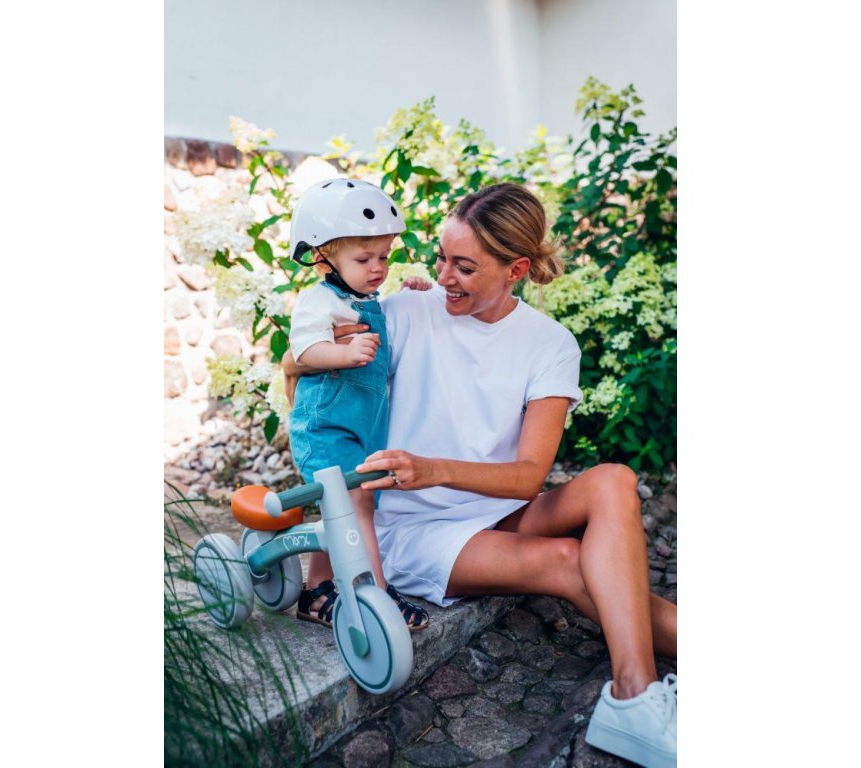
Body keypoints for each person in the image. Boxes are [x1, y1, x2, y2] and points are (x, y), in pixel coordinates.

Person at [286, 182, 677, 768]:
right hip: (411, 527)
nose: (444, 276)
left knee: (615, 480)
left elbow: (527, 478)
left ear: (515, 269)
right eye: (441, 257)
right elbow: (303, 364)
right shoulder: (402, 313)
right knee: (566, 559)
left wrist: (432, 468)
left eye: (464, 267)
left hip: (497, 509)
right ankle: (635, 696)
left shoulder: (550, 344)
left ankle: (634, 699)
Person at [286, 177, 431, 632]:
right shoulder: (318, 300)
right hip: (325, 428)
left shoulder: (365, 300)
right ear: (322, 257)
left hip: (362, 426)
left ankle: (316, 593)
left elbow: (387, 320)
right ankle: (376, 597)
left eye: (384, 257)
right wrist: (343, 353)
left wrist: (411, 294)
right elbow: (304, 350)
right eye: (364, 259)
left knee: (342, 508)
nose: (377, 268)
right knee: (357, 503)